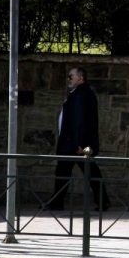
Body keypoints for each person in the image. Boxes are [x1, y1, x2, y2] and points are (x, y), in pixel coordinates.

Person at [47, 67, 110, 211]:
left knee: (86, 170)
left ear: (81, 78)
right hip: (75, 142)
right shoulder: (79, 93)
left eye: (71, 76)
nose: (68, 79)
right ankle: (57, 202)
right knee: (70, 171)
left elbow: (79, 121)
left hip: (76, 144)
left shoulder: (81, 95)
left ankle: (102, 201)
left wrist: (79, 144)